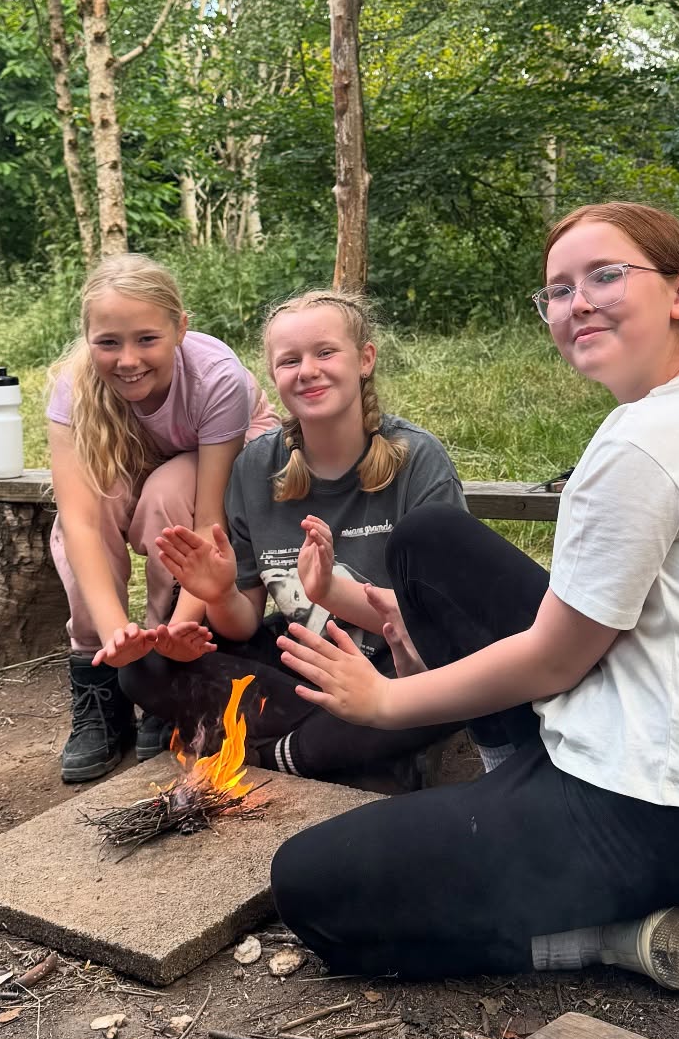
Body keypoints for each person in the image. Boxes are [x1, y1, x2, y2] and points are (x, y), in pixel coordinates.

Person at [269, 203, 679, 988]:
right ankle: (514, 789)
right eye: (558, 291)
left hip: (651, 815)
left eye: (605, 276)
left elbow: (554, 658)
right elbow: (591, 618)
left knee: (312, 886)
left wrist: (387, 702)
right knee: (430, 542)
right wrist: (380, 609)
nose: (577, 303)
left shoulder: (645, 445)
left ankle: (609, 938)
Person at [100, 288, 467, 786]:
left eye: (325, 352)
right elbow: (242, 623)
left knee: (448, 693)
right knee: (143, 671)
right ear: (273, 376)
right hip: (299, 664)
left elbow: (440, 624)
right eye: (289, 360)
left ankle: (284, 753)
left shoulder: (417, 460)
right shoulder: (257, 467)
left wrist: (331, 593)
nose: (307, 370)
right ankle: (347, 750)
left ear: (365, 359)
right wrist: (220, 592)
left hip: (390, 665)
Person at [47, 256, 277, 783]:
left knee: (170, 493)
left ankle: (163, 673)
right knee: (83, 514)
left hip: (215, 466)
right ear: (88, 340)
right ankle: (98, 679)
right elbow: (81, 522)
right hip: (138, 454)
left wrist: (174, 635)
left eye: (147, 339)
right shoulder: (74, 388)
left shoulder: (216, 377)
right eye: (108, 343)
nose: (128, 360)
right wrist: (113, 640)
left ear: (181, 328)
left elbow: (208, 522)